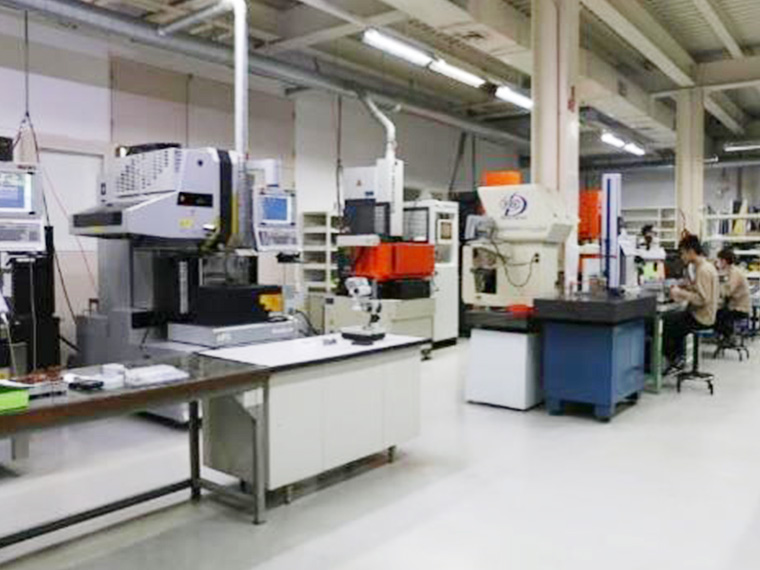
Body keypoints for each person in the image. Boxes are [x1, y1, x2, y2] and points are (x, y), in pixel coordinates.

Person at [663, 234, 719, 369]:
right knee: (675, 320)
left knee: (667, 323)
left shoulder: (703, 270)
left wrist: (679, 293)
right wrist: (688, 287)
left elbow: (702, 299)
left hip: (702, 317)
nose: (681, 257)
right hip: (706, 315)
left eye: (683, 253)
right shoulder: (705, 266)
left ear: (691, 252)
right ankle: (678, 357)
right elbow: (701, 291)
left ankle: (674, 359)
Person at [715, 247, 751, 338]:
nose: (717, 263)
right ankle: (724, 336)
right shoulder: (730, 271)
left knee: (719, 315)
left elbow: (728, 291)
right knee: (718, 313)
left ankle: (728, 337)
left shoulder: (735, 272)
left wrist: (716, 289)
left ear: (724, 261)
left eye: (719, 260)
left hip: (740, 308)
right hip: (733, 305)